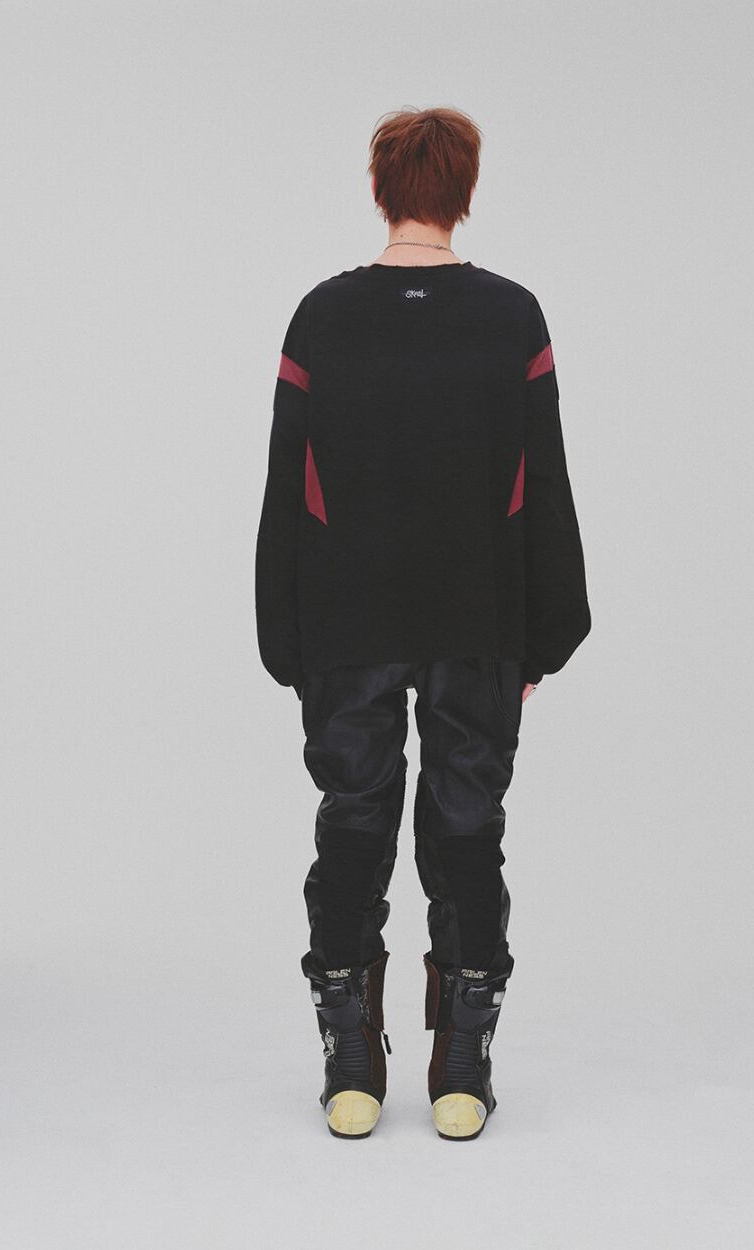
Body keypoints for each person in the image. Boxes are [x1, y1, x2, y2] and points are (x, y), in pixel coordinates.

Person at [255, 106, 591, 1140]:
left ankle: (351, 1066)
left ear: (380, 189)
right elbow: (542, 481)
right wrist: (546, 631)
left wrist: (283, 634)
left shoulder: (321, 316)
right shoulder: (511, 316)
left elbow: (287, 481)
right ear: (464, 191)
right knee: (466, 829)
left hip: (346, 618)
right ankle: (460, 1072)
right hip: (479, 615)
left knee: (352, 821)